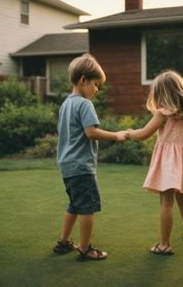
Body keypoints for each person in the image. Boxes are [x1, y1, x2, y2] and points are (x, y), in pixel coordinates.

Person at [125, 70, 183, 255]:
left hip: (167, 163)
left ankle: (164, 244)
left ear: (161, 94)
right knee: (182, 198)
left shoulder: (163, 113)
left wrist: (128, 133)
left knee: (166, 202)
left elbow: (143, 134)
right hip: (182, 163)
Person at [53, 54, 127, 261]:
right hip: (81, 166)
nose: (97, 90)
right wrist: (116, 135)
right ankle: (84, 249)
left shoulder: (66, 104)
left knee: (74, 205)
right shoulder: (85, 104)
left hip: (67, 165)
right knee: (87, 208)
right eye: (96, 84)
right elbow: (91, 132)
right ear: (83, 80)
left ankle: (63, 242)